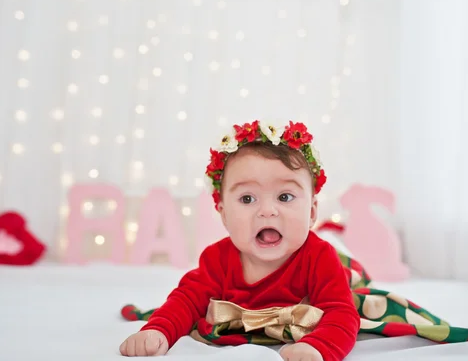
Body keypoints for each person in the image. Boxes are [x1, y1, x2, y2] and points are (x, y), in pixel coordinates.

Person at [120, 120, 359, 361]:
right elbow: (186, 301)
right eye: (247, 199)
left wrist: (318, 346)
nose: (267, 211)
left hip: (337, 272)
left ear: (311, 212)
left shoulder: (319, 257)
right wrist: (158, 330)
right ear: (223, 214)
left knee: (350, 282)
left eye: (284, 196)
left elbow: (341, 312)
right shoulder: (217, 260)